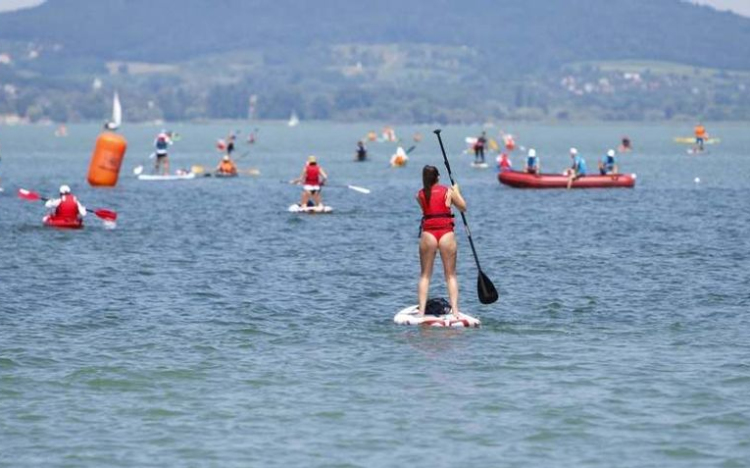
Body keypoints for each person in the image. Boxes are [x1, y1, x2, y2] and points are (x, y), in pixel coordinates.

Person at [416, 165, 467, 318]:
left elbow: (427, 209)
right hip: (446, 234)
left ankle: (421, 312)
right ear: (438, 177)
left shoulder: (419, 195)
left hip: (428, 235)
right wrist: (456, 191)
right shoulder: (448, 192)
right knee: (450, 275)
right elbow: (463, 207)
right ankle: (456, 312)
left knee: (425, 275)